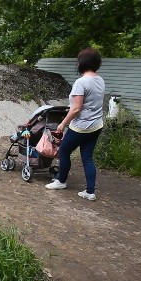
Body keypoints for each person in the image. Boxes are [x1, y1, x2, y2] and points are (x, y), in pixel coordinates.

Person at [45, 47, 105, 201]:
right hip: (96, 125)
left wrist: (62, 124)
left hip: (81, 126)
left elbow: (76, 109)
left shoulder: (81, 82)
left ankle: (61, 181)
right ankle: (90, 192)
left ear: (82, 63)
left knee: (64, 151)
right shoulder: (100, 80)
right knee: (87, 158)